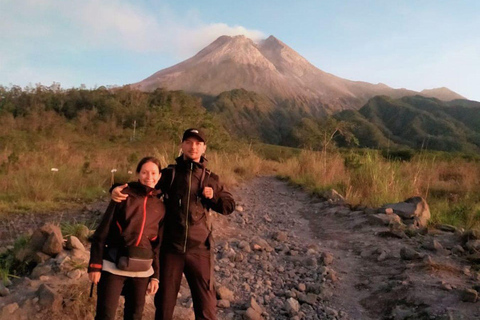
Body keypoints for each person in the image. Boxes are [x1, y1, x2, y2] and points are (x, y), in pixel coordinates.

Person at [112, 128, 235, 320]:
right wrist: (117, 188)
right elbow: (144, 185)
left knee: (207, 308)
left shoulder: (211, 178)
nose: (193, 147)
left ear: (204, 148)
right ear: (182, 145)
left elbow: (229, 206)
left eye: (198, 143)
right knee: (164, 306)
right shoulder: (169, 174)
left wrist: (214, 196)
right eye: (189, 142)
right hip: (171, 249)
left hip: (200, 250)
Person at [88, 157, 165, 320]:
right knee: (105, 314)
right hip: (112, 265)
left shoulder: (160, 206)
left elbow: (157, 245)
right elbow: (102, 231)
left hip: (142, 270)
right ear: (138, 174)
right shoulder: (123, 195)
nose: (149, 177)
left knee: (135, 315)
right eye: (144, 172)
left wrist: (155, 276)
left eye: (153, 173)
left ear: (159, 176)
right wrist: (94, 265)